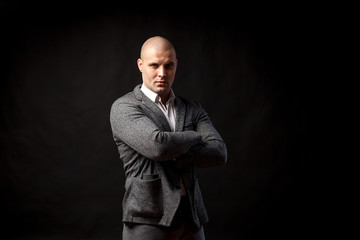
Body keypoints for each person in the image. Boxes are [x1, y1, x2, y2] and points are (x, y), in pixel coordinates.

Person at [110, 36, 227, 240]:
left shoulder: (192, 108)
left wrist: (174, 150)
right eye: (154, 65)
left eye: (169, 65)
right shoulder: (125, 107)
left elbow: (218, 152)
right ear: (140, 65)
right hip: (147, 219)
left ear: (176, 65)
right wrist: (196, 136)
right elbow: (158, 147)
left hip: (191, 218)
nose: (162, 73)